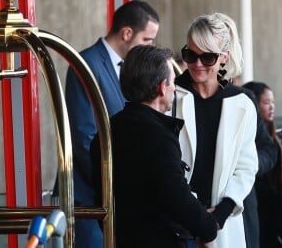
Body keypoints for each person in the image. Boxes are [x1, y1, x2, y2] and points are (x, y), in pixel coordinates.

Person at [90, 45, 218, 248]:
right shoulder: (159, 136)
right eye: (173, 82)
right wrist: (208, 227)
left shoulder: (106, 132)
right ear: (162, 86)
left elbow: (102, 200)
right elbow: (176, 196)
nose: (175, 88)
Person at [63, 0, 160, 247]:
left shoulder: (130, 68)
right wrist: (114, 183)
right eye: (147, 40)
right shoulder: (85, 63)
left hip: (119, 197)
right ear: (127, 33)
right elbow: (84, 135)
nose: (150, 46)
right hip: (91, 195)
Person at [172, 12, 258, 247]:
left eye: (208, 57)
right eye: (190, 55)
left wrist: (221, 213)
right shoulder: (170, 96)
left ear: (223, 58)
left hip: (224, 221)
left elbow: (246, 166)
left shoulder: (241, 104)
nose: (198, 64)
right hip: (176, 223)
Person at [243, 81, 282, 248]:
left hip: (276, 216)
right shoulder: (249, 138)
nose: (272, 107)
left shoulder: (274, 137)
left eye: (273, 103)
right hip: (259, 213)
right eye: (266, 103)